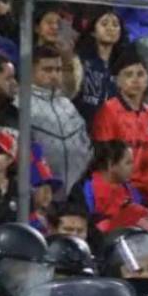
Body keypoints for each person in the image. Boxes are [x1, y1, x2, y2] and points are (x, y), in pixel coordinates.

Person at [92, 48, 148, 205]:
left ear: (147, 80)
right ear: (118, 81)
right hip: (121, 191)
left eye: (140, 74)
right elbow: (106, 160)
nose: (135, 80)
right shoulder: (109, 110)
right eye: (128, 74)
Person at [28, 44, 92, 204]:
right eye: (47, 70)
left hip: (74, 192)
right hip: (39, 193)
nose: (55, 75)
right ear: (31, 71)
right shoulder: (21, 103)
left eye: (58, 70)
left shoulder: (67, 104)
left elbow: (85, 145)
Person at [74, 140, 145, 232]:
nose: (133, 167)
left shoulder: (130, 190)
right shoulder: (84, 190)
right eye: (128, 163)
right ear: (110, 164)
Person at [74, 7, 126, 125]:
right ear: (93, 31)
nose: (110, 28)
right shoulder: (81, 61)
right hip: (83, 123)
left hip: (114, 126)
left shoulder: (124, 65)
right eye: (104, 24)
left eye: (115, 25)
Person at [34, 3, 83, 100]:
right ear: (37, 28)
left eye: (58, 24)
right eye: (49, 23)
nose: (55, 27)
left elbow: (71, 92)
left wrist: (67, 60)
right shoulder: (27, 55)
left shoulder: (71, 58)